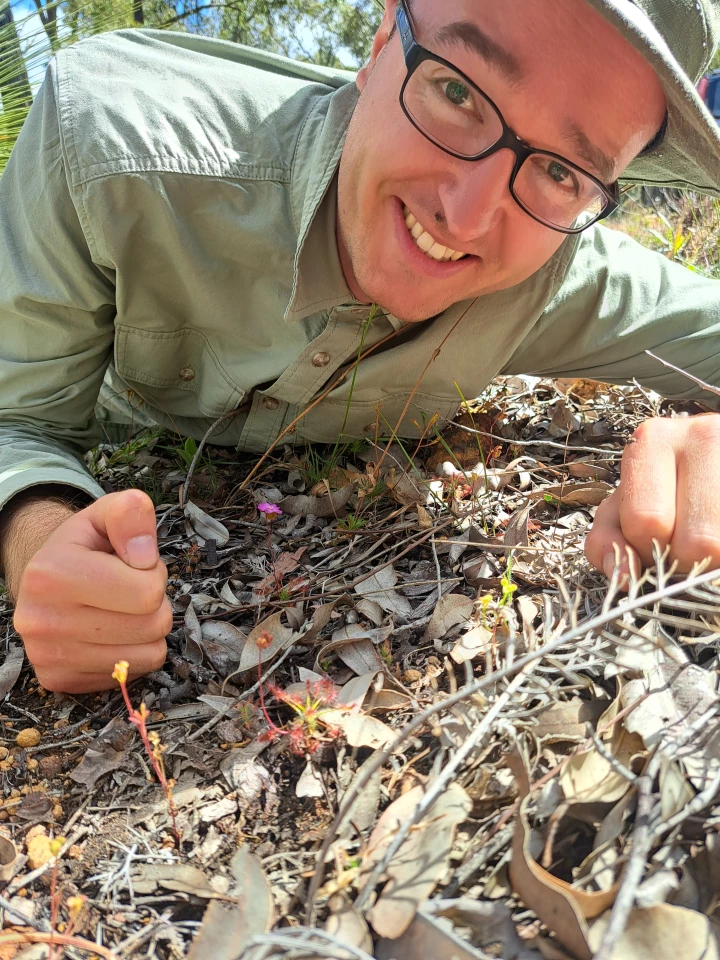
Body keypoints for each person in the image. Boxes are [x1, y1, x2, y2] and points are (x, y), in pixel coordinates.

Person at [1, 0, 719, 693]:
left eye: (563, 171)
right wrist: (40, 531)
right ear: (381, 39)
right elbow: (15, 418)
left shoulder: (552, 276)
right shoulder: (108, 150)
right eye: (456, 90)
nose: (467, 218)